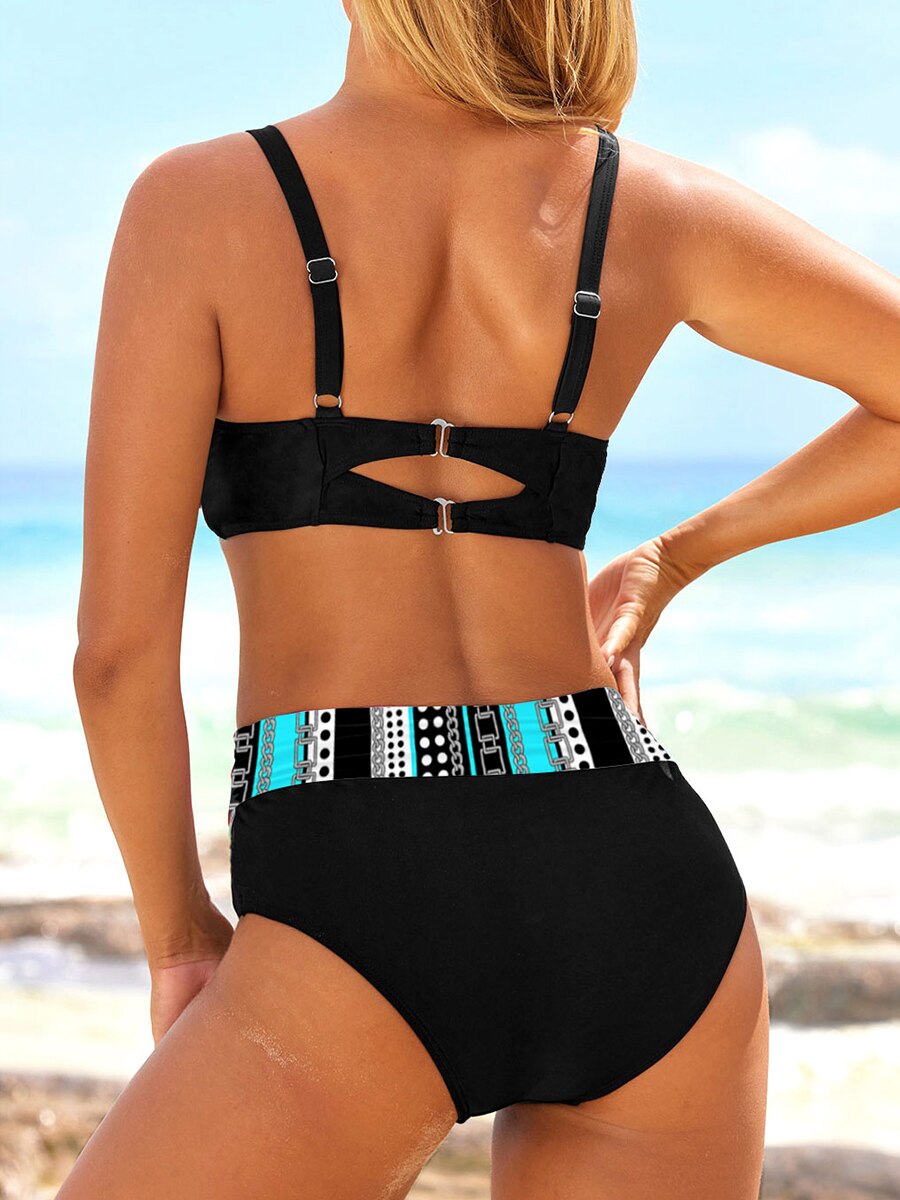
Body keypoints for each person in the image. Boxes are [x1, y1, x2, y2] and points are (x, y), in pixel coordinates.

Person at [67, 0, 900, 1196]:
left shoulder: (198, 204)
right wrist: (678, 555)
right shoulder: (649, 206)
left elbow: (118, 656)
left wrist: (179, 937)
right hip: (639, 880)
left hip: (354, 877)